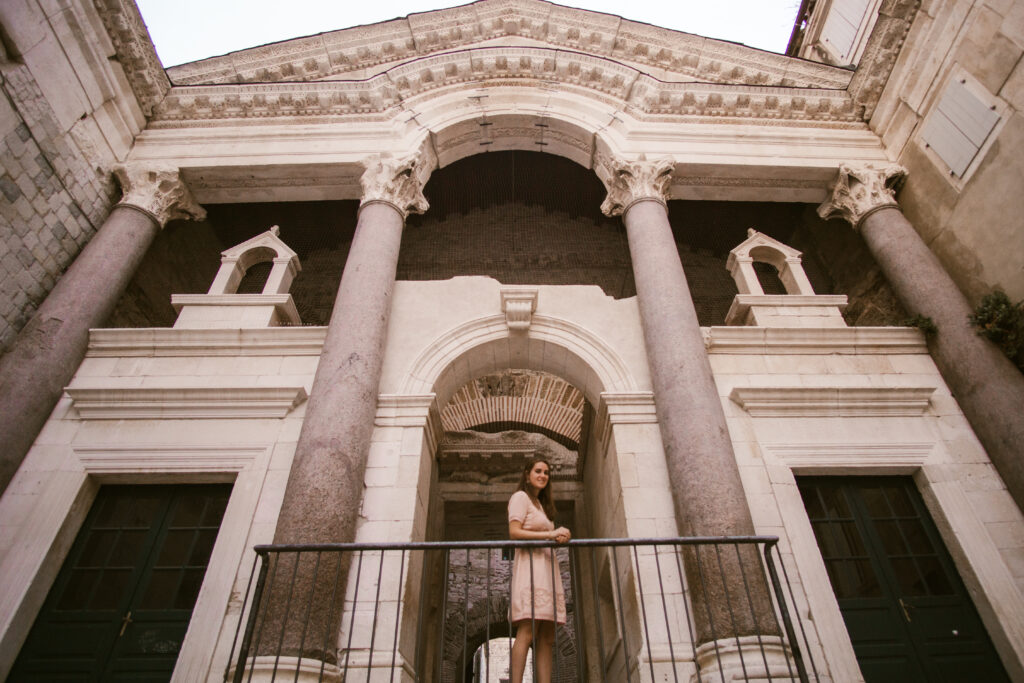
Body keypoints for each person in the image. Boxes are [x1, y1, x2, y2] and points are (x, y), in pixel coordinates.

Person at [507, 457, 571, 683]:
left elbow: (547, 534)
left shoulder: (541, 505)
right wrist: (550, 534)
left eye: (546, 472)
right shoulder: (520, 497)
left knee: (547, 637)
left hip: (547, 571)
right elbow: (514, 532)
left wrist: (560, 536)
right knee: (528, 629)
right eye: (538, 471)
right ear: (527, 474)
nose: (543, 475)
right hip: (531, 570)